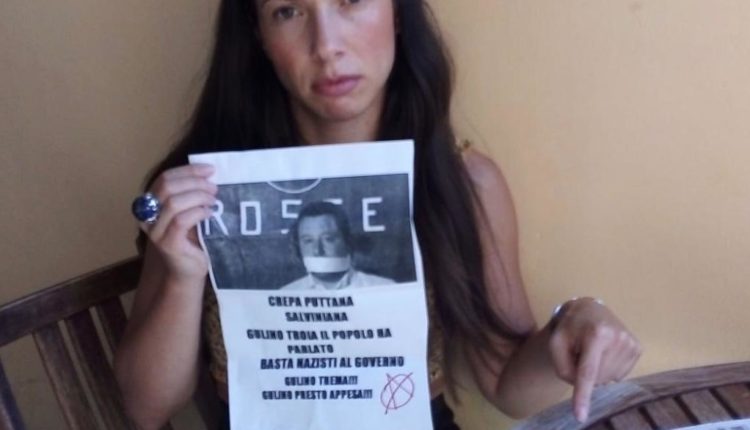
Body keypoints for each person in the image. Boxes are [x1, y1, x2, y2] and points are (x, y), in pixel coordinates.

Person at [114, 1, 642, 429]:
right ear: (258, 36)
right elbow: (146, 408)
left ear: (397, 13)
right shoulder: (206, 189)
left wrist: (574, 329)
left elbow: (507, 385)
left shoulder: (463, 183)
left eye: (352, 0)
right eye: (287, 11)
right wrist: (182, 276)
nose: (326, 46)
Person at [280, 200, 395, 290]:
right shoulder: (286, 294)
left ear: (347, 242)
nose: (317, 251)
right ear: (298, 247)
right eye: (308, 241)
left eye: (328, 239)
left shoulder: (385, 289)